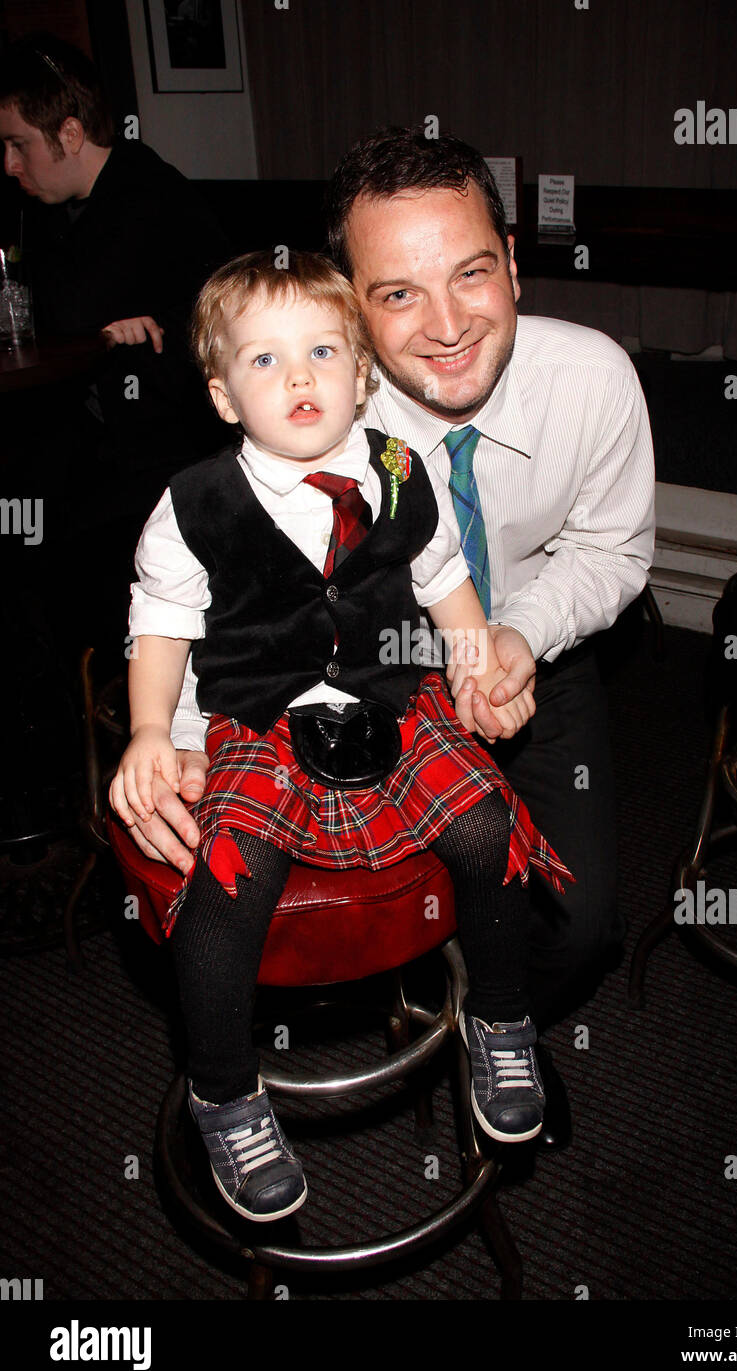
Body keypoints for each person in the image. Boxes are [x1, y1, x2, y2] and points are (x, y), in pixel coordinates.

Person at [115, 128, 656, 1147]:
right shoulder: (296, 416)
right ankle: (267, 1067)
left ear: (510, 261)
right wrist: (172, 733)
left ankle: (494, 1020)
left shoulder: (591, 382)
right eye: (398, 293)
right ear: (349, 302)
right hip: (309, 693)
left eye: (471, 274)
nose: (448, 325)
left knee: (572, 922)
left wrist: (512, 639)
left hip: (525, 649)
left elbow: (611, 552)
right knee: (242, 880)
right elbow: (190, 603)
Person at [109, 248, 574, 1221]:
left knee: (490, 830)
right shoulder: (193, 503)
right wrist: (153, 728)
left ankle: (498, 1016)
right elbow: (159, 628)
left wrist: (476, 658)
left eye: (323, 350)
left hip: (395, 700)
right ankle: (224, 1089)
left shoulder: (400, 468)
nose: (300, 377)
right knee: (227, 887)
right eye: (265, 360)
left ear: (362, 374)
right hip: (260, 720)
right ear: (223, 394)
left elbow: (444, 578)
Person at [0, 33, 232, 655]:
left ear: (70, 136)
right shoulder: (56, 210)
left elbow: (75, 312)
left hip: (168, 458)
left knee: (38, 545)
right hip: (96, 443)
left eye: (19, 145)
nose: (9, 165)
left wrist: (118, 333)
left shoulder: (149, 197)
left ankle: (85, 709)